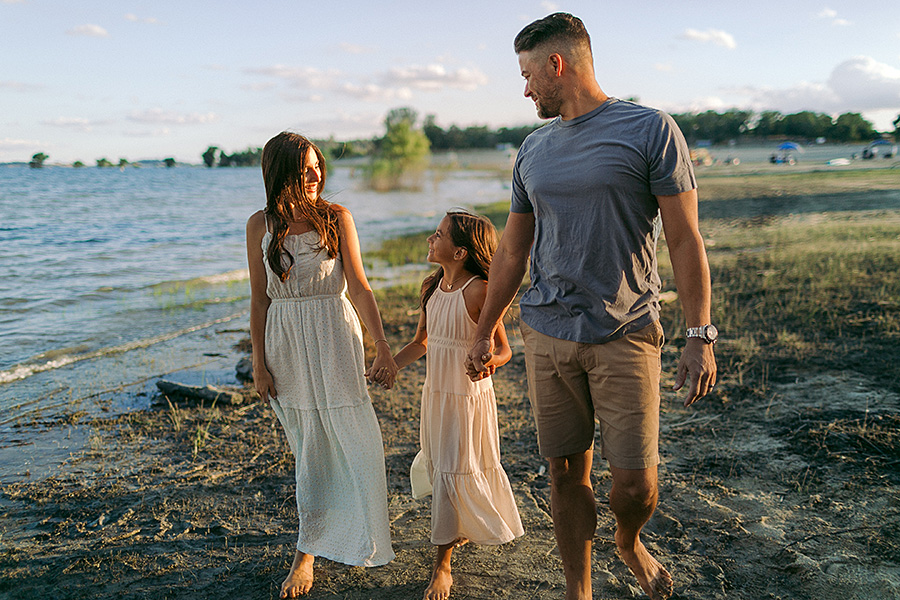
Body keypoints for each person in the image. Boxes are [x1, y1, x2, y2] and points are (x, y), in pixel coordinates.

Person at [465, 13, 718, 600]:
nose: (525, 88)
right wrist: (485, 329)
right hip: (547, 334)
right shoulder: (532, 150)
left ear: (559, 65)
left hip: (626, 331)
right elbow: (512, 248)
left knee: (635, 486)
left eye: (529, 74)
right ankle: (577, 590)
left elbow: (684, 238)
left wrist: (699, 334)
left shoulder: (650, 129)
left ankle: (629, 543)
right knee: (563, 471)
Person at [246, 132, 397, 598]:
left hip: (334, 333)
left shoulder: (336, 218)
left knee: (357, 439)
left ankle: (361, 532)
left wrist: (383, 347)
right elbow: (258, 298)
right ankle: (306, 552)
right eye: (305, 167)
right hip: (286, 343)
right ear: (281, 172)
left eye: (318, 166)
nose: (315, 174)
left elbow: (361, 286)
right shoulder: (259, 224)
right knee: (309, 449)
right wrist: (258, 362)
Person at [393, 210, 524, 600]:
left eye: (439, 235)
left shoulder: (481, 290)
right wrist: (389, 365)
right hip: (436, 395)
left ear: (460, 252)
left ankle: (442, 567)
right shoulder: (431, 288)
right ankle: (460, 527)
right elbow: (422, 342)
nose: (431, 240)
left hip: (467, 397)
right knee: (442, 464)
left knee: (453, 469)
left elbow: (504, 349)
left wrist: (489, 364)